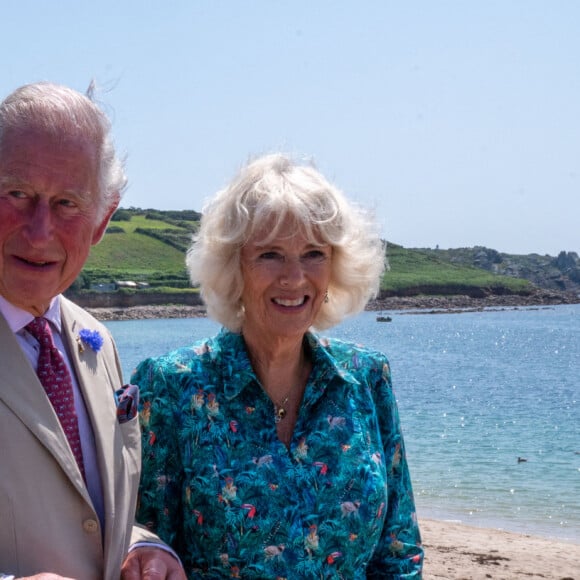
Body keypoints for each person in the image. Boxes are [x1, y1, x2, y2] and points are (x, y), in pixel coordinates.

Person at [134, 153, 424, 577]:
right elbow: (146, 550)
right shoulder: (171, 386)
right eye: (270, 254)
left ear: (336, 266)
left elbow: (399, 551)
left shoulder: (365, 378)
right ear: (235, 267)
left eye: (313, 254)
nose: (294, 277)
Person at [0, 82, 186, 580]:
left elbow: (90, 515)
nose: (39, 230)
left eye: (67, 204)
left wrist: (145, 549)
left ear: (102, 220)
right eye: (16, 193)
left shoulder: (94, 340)